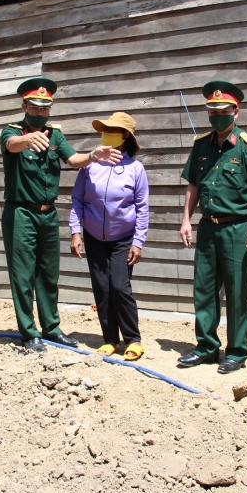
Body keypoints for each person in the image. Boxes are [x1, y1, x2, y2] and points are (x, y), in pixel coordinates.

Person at [0, 78, 123, 352]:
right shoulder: (12, 131)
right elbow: (11, 145)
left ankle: (52, 329)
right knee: (22, 275)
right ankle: (29, 332)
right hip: (20, 212)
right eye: (35, 108)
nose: (41, 113)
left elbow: (73, 160)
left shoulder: (54, 134)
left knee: (48, 274)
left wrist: (94, 154)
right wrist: (26, 138)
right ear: (24, 106)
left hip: (47, 214)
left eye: (45, 109)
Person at [177, 81, 247, 374]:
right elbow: (194, 184)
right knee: (204, 290)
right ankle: (206, 347)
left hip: (238, 229)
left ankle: (237, 351)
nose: (217, 115)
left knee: (237, 292)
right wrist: (186, 219)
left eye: (223, 110)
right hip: (208, 228)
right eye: (212, 110)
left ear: (235, 111)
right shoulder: (200, 145)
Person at [69, 112, 149, 361]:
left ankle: (133, 339)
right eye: (104, 129)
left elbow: (142, 207)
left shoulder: (135, 169)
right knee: (102, 288)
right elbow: (77, 200)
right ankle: (110, 340)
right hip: (94, 237)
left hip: (122, 238)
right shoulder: (89, 166)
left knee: (119, 287)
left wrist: (138, 241)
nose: (106, 133)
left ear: (124, 136)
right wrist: (75, 231)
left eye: (112, 130)